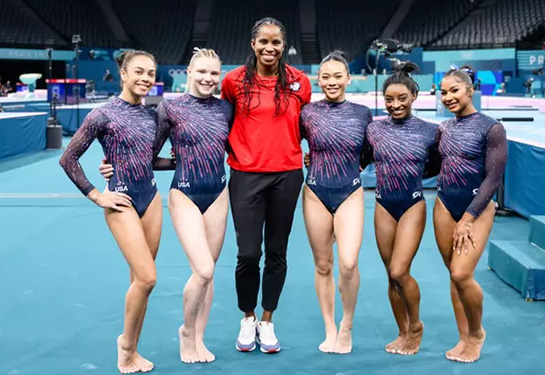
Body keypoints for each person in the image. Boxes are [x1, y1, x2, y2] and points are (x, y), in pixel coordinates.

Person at [60, 51, 174, 374]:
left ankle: (134, 349)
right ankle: (125, 346)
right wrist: (96, 195)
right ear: (122, 73)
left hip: (150, 199)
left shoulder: (154, 116)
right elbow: (68, 158)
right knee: (149, 278)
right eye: (139, 71)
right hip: (120, 199)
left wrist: (177, 162)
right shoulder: (102, 115)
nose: (146, 78)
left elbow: (149, 161)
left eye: (151, 73)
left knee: (139, 280)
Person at [221, 17, 311, 353]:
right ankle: (247, 316)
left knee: (277, 251)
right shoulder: (233, 82)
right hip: (245, 176)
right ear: (253, 45)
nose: (270, 48)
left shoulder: (300, 83)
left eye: (276, 43)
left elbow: (305, 126)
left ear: (284, 46)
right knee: (247, 253)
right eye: (264, 42)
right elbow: (221, 122)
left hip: (286, 176)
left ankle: (268, 320)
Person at [154, 48, 232, 363]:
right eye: (202, 72)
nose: (208, 79)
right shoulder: (169, 108)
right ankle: (186, 332)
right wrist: (113, 168)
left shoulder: (226, 109)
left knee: (207, 274)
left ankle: (200, 337)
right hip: (184, 193)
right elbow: (148, 155)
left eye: (214, 73)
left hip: (218, 193)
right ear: (188, 71)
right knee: (203, 269)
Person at [361, 63, 439, 355]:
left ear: (414, 96)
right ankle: (402, 332)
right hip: (383, 204)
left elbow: (437, 165)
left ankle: (416, 326)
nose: (395, 105)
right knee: (390, 275)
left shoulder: (431, 132)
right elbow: (360, 161)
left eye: (402, 98)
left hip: (412, 204)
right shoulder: (374, 130)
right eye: (390, 99)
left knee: (399, 270)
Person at [300, 51, 372, 354]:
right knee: (323, 264)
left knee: (348, 262)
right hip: (316, 192)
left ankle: (348, 324)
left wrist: (358, 165)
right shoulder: (307, 112)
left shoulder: (362, 112)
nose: (331, 82)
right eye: (325, 76)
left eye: (337, 76)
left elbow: (370, 149)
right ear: (318, 79)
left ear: (348, 78)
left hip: (350, 192)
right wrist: (306, 159)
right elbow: (290, 142)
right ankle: (330, 326)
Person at [435, 65, 507, 363]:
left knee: (462, 273)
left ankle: (476, 333)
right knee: (454, 277)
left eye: (454, 90)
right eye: (443, 92)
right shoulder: (444, 128)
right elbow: (430, 167)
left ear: (470, 90)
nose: (448, 97)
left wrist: (468, 217)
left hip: (475, 210)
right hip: (443, 205)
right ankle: (463, 337)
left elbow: (493, 178)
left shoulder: (492, 127)